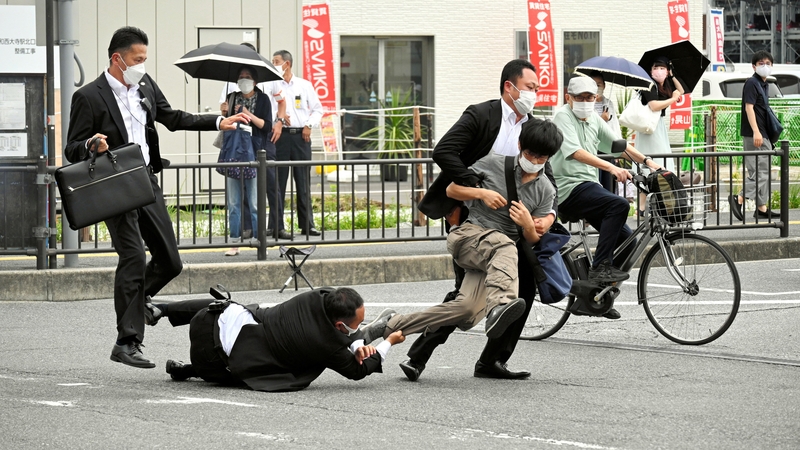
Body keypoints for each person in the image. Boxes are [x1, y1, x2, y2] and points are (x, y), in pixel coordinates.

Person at [64, 26, 250, 369]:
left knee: (170, 261)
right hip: (113, 185)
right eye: (137, 60)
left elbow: (172, 118)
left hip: (146, 181)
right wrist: (92, 144)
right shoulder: (89, 96)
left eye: (145, 60)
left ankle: (139, 302)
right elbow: (71, 148)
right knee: (133, 257)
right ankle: (127, 341)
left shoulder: (145, 87)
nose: (142, 66)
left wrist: (218, 121)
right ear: (117, 59)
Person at [409, 59, 558, 381]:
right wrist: (476, 187)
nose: (534, 94)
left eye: (536, 89)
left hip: (517, 225)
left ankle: (493, 360)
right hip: (475, 219)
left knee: (525, 287)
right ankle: (419, 353)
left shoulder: (533, 126)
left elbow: (548, 174)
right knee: (466, 292)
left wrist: (549, 216)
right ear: (510, 86)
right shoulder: (481, 115)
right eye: (530, 88)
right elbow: (444, 151)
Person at [378, 120, 561, 365]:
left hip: (496, 256)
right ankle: (501, 306)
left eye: (541, 157)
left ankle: (392, 323)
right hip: (469, 237)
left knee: (464, 309)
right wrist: (481, 193)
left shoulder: (546, 190)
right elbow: (452, 190)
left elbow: (532, 239)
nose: (534, 160)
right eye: (529, 154)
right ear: (519, 145)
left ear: (549, 157)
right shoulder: (493, 163)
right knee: (505, 246)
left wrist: (528, 224)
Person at [148, 287, 403, 392]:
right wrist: (388, 342)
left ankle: (164, 309)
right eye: (357, 325)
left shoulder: (314, 297)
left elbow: (342, 320)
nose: (359, 328)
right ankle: (191, 370)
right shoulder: (327, 346)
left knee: (231, 306)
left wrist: (357, 342)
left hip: (207, 320)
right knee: (253, 366)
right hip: (214, 363)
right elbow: (357, 372)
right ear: (338, 325)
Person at [551, 76, 662, 313]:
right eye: (579, 97)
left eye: (589, 97)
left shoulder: (592, 118)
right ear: (568, 97)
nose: (585, 102)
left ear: (596, 98)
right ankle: (600, 267)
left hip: (589, 188)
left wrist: (649, 163)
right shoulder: (563, 116)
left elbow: (618, 145)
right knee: (619, 205)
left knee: (628, 241)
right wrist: (610, 167)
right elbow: (574, 152)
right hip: (568, 189)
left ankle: (598, 295)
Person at [218, 43, 289, 241]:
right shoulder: (231, 88)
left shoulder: (269, 78)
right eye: (242, 77)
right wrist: (224, 112)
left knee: (270, 186)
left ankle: (276, 227)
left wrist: (279, 123)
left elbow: (281, 104)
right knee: (240, 192)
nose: (244, 80)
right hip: (237, 147)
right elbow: (225, 117)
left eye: (248, 78)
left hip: (262, 144)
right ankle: (244, 230)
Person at [270, 50, 324, 237]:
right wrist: (277, 120)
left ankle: (307, 224)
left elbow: (318, 109)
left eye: (276, 61)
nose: (273, 63)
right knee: (278, 183)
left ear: (287, 63)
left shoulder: (304, 85)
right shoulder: (271, 84)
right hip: (279, 137)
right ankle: (276, 226)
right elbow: (268, 109)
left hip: (302, 136)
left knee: (303, 182)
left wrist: (309, 125)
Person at [729, 50, 782, 221]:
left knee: (760, 171)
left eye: (768, 63)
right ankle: (739, 198)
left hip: (761, 134)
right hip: (756, 135)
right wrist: (756, 132)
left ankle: (761, 208)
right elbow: (749, 108)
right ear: (754, 66)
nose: (765, 66)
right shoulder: (752, 83)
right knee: (761, 172)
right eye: (761, 64)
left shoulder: (763, 84)